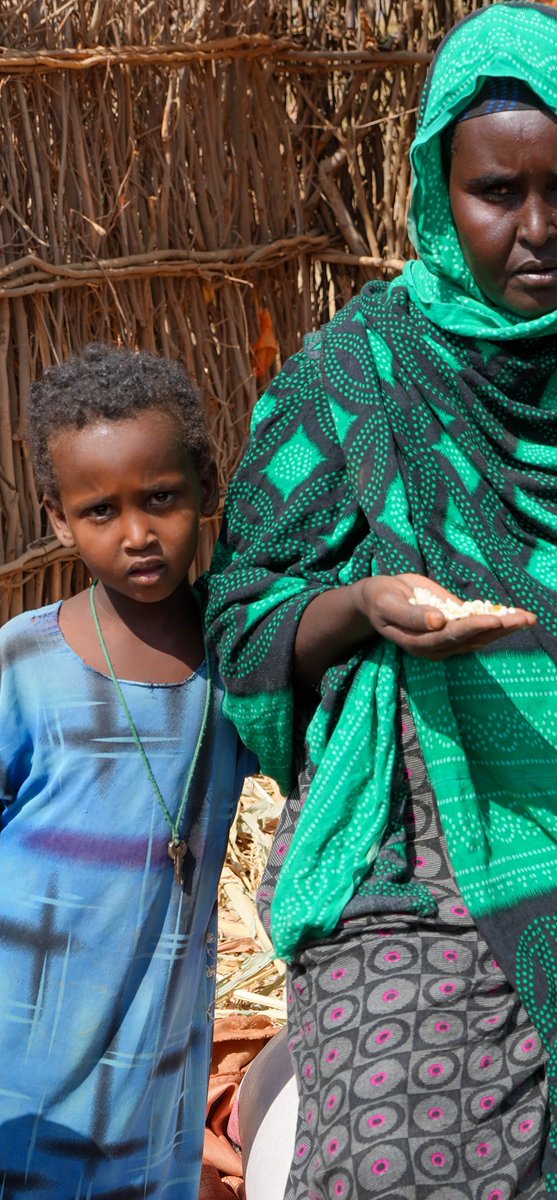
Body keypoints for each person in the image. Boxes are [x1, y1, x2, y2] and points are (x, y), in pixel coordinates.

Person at [206, 3, 557, 1197]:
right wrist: (361, 606)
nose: (533, 230)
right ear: (435, 190)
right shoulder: (358, 379)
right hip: (426, 856)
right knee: (388, 1151)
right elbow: (244, 616)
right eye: (493, 192)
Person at [0, 344, 255, 1198]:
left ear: (206, 489)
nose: (137, 534)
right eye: (100, 511)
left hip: (155, 1042)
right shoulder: (23, 666)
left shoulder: (238, 660)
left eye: (160, 499)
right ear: (58, 518)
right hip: (20, 1043)